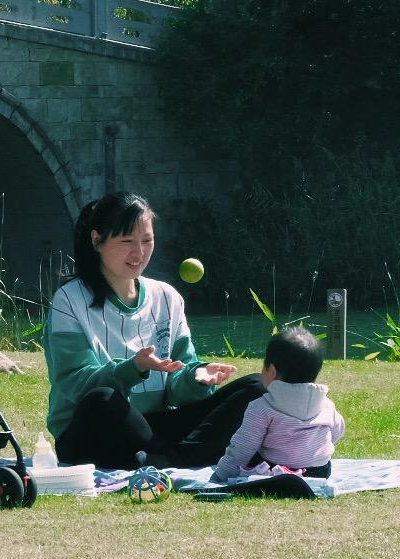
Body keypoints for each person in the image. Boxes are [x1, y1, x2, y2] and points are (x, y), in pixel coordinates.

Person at [44, 191, 264, 469]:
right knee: (101, 399)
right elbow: (74, 385)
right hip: (93, 431)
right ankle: (184, 456)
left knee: (256, 387)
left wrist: (196, 376)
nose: (139, 253)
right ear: (97, 240)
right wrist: (132, 368)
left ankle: (168, 458)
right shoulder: (69, 300)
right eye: (127, 241)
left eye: (147, 241)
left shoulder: (167, 297)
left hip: (154, 430)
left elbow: (176, 387)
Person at [211, 327, 345, 483]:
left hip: (276, 472)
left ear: (272, 371)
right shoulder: (326, 404)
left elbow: (242, 448)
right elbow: (338, 431)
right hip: (319, 472)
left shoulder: (262, 407)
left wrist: (220, 476)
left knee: (253, 455)